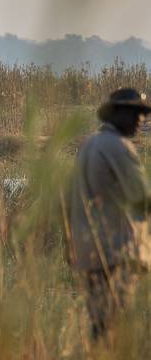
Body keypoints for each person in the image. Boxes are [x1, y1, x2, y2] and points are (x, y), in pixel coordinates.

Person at [69, 87, 151, 341]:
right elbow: (143, 199)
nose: (140, 120)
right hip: (116, 253)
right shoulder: (119, 147)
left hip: (89, 252)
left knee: (100, 324)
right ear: (116, 114)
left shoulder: (88, 145)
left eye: (142, 114)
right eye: (134, 113)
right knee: (115, 324)